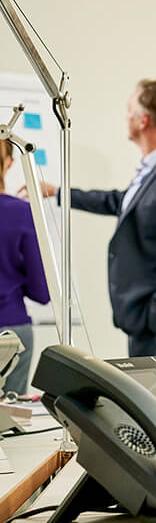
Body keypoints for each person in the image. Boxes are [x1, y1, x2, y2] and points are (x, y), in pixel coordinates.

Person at [39, 80, 156, 374]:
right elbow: (120, 202)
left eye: (130, 111)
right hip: (145, 321)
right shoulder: (155, 168)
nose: (126, 117)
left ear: (144, 120)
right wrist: (59, 192)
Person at [0, 139, 49, 394]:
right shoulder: (22, 213)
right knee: (10, 422)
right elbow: (42, 292)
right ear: (8, 163)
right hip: (11, 332)